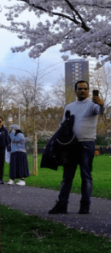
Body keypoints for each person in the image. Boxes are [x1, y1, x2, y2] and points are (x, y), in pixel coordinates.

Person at [49, 81, 104, 215]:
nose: (83, 91)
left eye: (85, 89)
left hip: (87, 144)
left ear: (89, 91)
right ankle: (62, 205)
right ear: (75, 91)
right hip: (70, 145)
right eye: (80, 89)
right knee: (67, 176)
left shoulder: (93, 105)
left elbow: (101, 112)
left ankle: (85, 206)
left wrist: (101, 104)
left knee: (86, 176)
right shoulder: (69, 106)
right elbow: (63, 125)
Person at [0, 116, 10, 184]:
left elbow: (7, 139)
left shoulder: (5, 130)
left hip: (2, 149)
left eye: (0, 121)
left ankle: (0, 178)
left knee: (1, 164)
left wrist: (8, 146)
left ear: (2, 122)